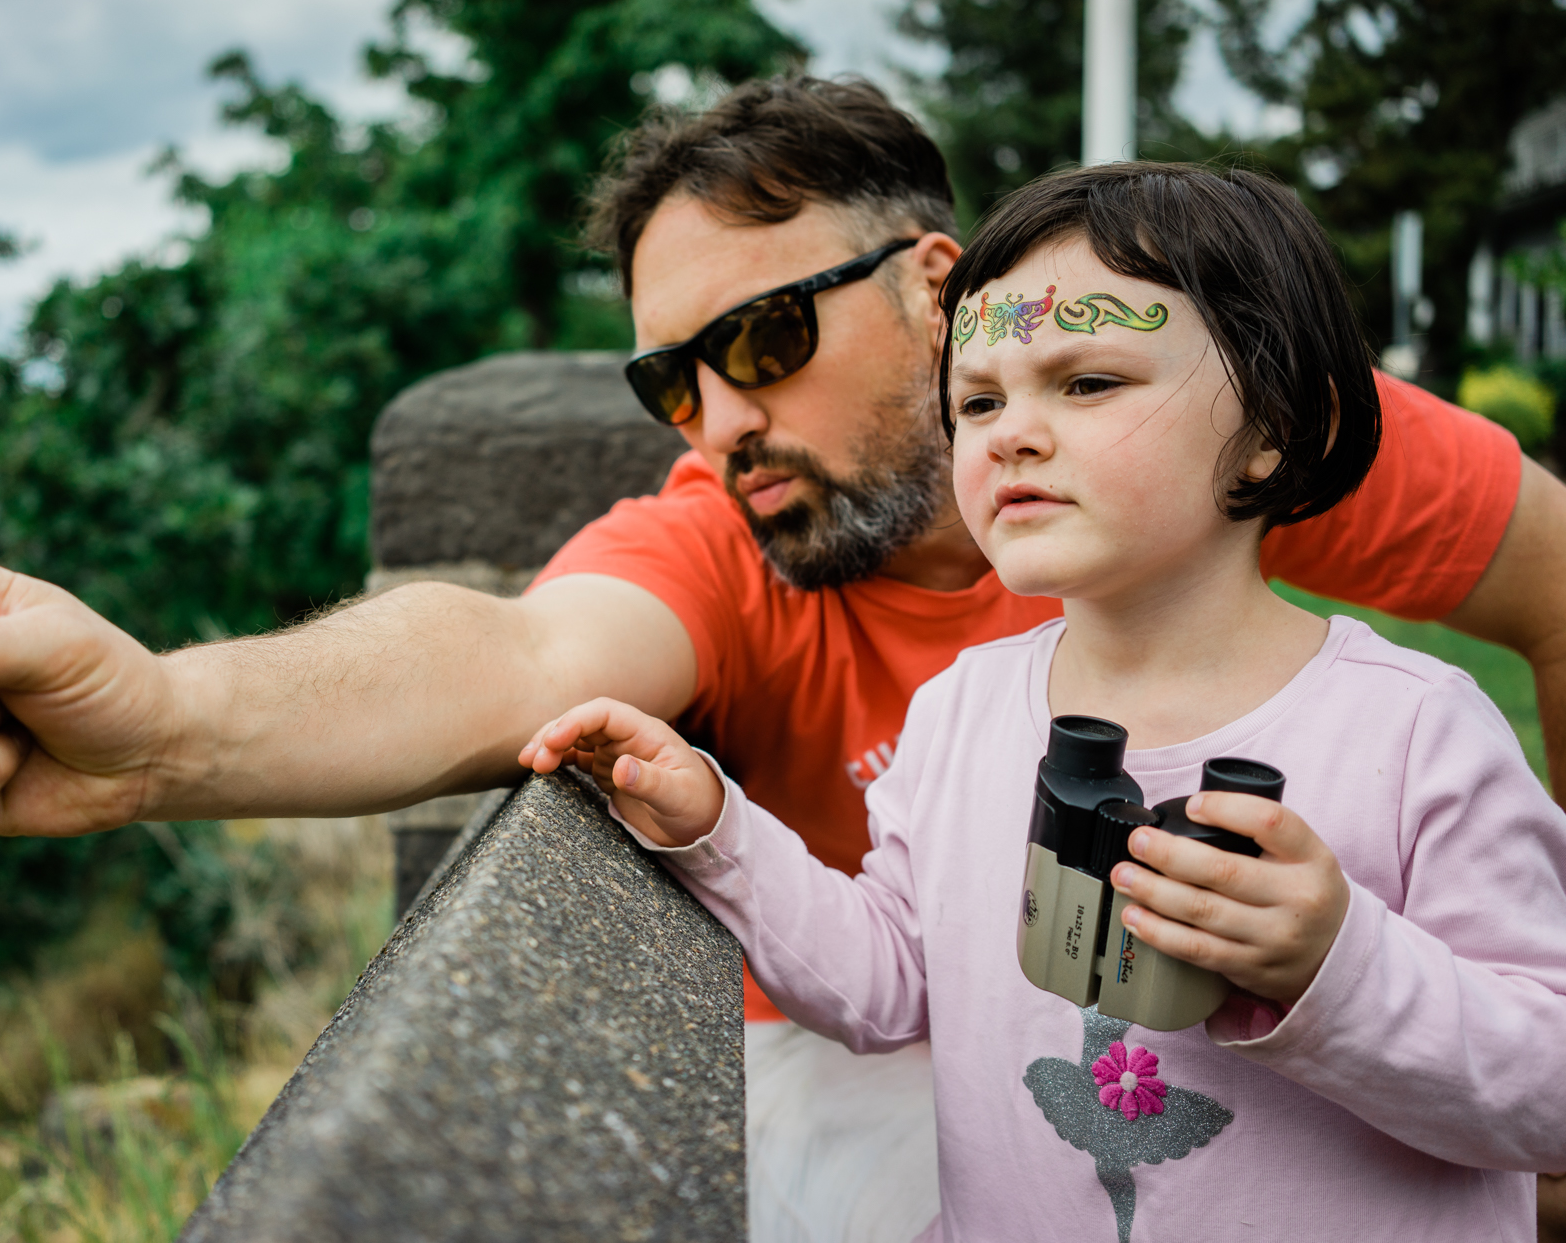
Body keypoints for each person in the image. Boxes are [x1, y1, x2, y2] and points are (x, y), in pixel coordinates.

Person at [0, 78, 1566, 1239]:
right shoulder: (749, 540)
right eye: (669, 375)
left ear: (935, 280)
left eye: (759, 340)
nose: (713, 423)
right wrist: (166, 728)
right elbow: (505, 655)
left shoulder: (1217, 419)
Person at [520, 161, 1566, 1241]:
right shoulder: (961, 715)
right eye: (976, 400)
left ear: (1272, 422)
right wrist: (713, 827)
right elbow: (884, 980)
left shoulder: (1409, 736)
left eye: (1086, 383)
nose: (1009, 432)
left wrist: (1337, 968)